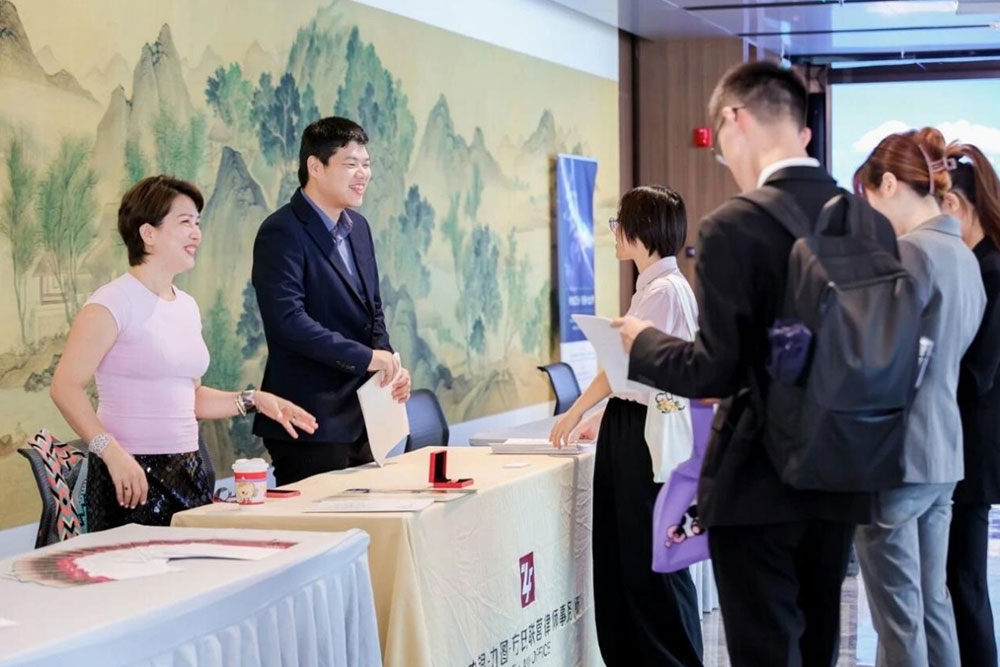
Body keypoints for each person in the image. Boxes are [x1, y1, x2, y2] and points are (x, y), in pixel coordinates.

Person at [612, 62, 898, 667]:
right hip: (844, 471)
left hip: (760, 482)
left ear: (734, 120)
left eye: (720, 146)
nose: (726, 160)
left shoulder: (734, 226)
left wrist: (642, 342)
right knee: (817, 644)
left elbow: (714, 372)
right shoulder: (868, 223)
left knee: (766, 650)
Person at [51, 175, 317, 531]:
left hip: (189, 468)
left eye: (198, 223)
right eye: (185, 222)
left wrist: (255, 399)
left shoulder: (186, 305)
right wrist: (111, 453)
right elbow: (65, 387)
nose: (196, 233)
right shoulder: (110, 303)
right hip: (129, 476)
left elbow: (191, 399)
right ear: (148, 233)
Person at [550, 185, 703, 667]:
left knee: (646, 558)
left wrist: (577, 411)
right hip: (637, 422)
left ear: (641, 229)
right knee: (634, 553)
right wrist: (602, 414)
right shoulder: (659, 286)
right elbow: (632, 375)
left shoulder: (662, 291)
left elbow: (623, 367)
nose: (615, 233)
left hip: (644, 434)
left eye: (620, 223)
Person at [852, 128, 985, 667]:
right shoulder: (964, 256)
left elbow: (882, 360)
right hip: (944, 452)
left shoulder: (910, 252)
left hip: (898, 455)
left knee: (899, 619)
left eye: (870, 199)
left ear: (889, 184)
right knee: (933, 606)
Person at [252, 117, 410, 486]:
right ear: (315, 166)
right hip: (310, 422)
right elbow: (288, 322)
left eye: (366, 164)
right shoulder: (282, 231)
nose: (363, 174)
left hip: (366, 419)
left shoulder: (359, 228)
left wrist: (389, 365)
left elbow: (373, 313)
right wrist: (367, 358)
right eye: (351, 163)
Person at [940, 141, 1000, 667]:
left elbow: (978, 373)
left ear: (957, 204)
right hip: (960, 439)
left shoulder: (992, 269)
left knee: (964, 580)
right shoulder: (974, 265)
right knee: (957, 579)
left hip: (973, 445)